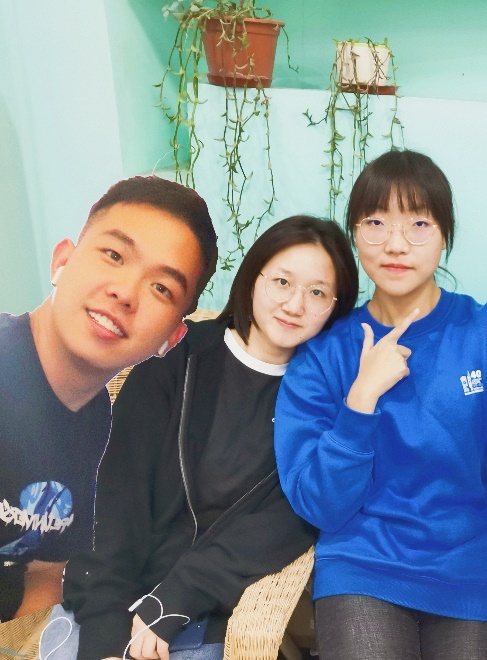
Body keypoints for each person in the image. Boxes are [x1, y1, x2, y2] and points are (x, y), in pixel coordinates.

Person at [273, 150, 487, 660]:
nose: (396, 244)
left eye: (418, 223)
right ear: (354, 234)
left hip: (467, 576)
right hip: (362, 570)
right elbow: (319, 503)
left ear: (445, 235)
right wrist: (361, 399)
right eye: (375, 223)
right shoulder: (323, 354)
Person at [46, 216, 359, 660]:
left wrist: (176, 599)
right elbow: (115, 491)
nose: (294, 305)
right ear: (253, 277)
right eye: (282, 282)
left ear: (336, 307)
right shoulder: (179, 352)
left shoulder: (321, 401)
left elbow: (287, 524)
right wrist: (107, 632)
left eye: (318, 293)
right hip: (104, 596)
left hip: (202, 613)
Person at [0, 176, 217, 630]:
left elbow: (46, 570)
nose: (125, 292)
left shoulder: (102, 430)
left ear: (172, 337)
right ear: (62, 260)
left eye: (162, 288)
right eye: (114, 255)